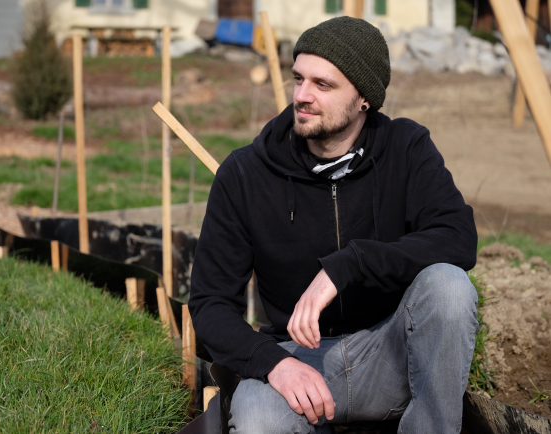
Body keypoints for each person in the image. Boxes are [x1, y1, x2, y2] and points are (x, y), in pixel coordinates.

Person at [188, 16, 479, 434]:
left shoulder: (406, 149)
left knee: (449, 286)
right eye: (299, 79)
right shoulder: (245, 173)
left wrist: (350, 264)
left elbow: (457, 239)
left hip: (389, 352)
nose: (302, 96)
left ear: (364, 98)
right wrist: (277, 365)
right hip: (297, 359)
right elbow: (211, 302)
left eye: (323, 85)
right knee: (256, 422)